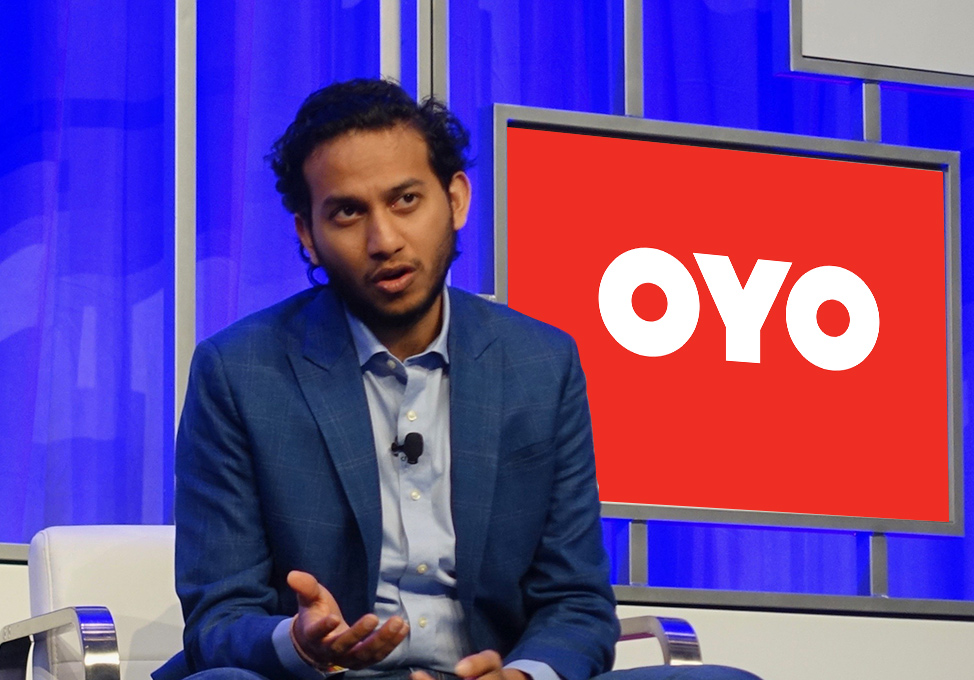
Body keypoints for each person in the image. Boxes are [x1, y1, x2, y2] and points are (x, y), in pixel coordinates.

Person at [166, 79, 759, 680]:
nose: (384, 241)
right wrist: (299, 642)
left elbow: (575, 601)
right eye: (348, 212)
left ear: (455, 200)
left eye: (405, 200)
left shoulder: (540, 363)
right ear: (307, 236)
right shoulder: (240, 371)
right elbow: (219, 615)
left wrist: (524, 676)